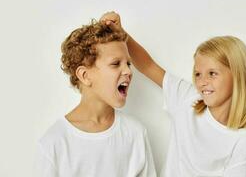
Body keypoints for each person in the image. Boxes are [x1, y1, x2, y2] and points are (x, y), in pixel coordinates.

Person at [100, 12, 246, 177]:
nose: (202, 81)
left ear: (237, 75)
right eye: (198, 74)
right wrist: (122, 34)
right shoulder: (188, 99)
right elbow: (148, 66)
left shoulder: (244, 141)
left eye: (212, 73)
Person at [36, 17, 156, 177]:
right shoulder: (54, 143)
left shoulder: (135, 133)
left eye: (128, 64)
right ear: (85, 75)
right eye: (115, 64)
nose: (128, 71)